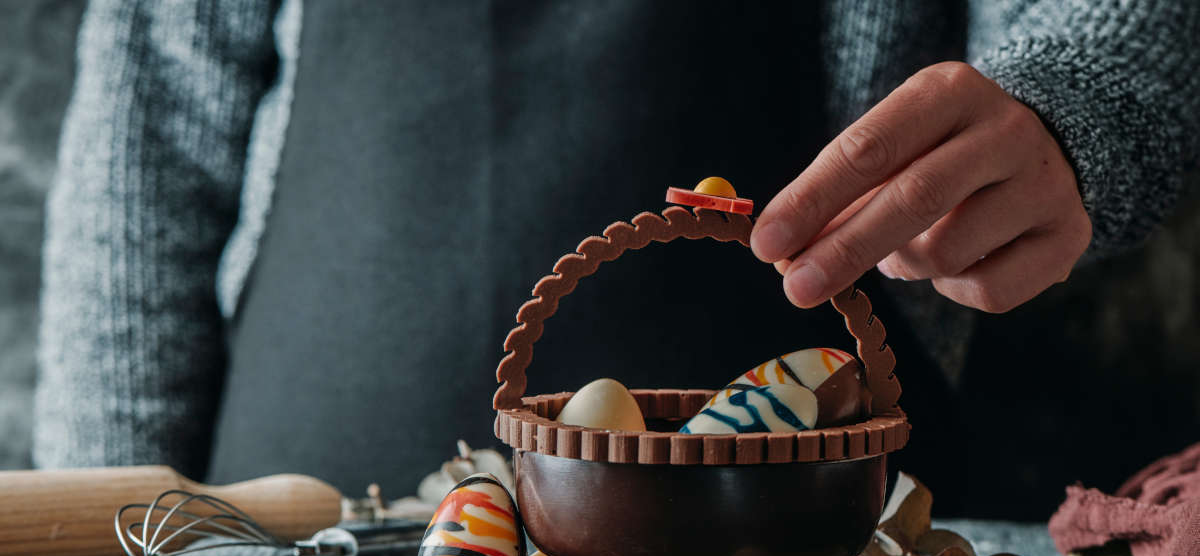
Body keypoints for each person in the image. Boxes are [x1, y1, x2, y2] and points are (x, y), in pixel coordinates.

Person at [34, 1, 1200, 517]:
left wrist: (1065, 113)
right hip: (300, 533)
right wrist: (104, 530)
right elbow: (150, 127)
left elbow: (1125, 17)